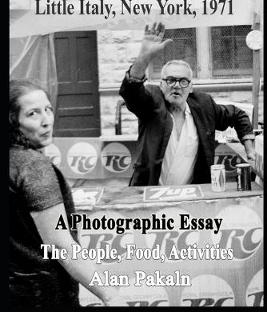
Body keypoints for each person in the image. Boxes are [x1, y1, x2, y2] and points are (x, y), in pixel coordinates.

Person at [9, 80, 125, 310]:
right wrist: (110, 295)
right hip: (43, 294)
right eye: (33, 114)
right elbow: (61, 246)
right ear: (13, 121)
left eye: (48, 109)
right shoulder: (32, 166)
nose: (46, 121)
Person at [119, 22, 255, 186]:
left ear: (191, 87)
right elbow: (131, 91)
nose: (176, 85)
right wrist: (144, 57)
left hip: (190, 197)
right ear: (161, 85)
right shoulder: (152, 101)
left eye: (183, 81)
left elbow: (237, 115)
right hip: (148, 195)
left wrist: (250, 151)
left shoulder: (204, 105)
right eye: (170, 80)